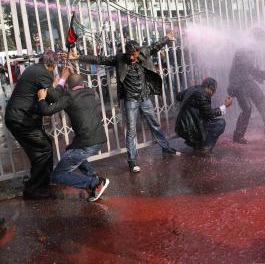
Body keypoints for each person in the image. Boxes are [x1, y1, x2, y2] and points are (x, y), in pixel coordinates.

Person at [66, 32, 181, 173]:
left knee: (154, 124)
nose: (133, 57)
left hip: (144, 98)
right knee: (131, 131)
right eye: (130, 55)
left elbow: (155, 46)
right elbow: (100, 59)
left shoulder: (143, 53)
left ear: (138, 52)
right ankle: (132, 161)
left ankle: (165, 148)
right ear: (127, 53)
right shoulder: (120, 59)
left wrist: (167, 38)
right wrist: (78, 57)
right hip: (131, 100)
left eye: (135, 54)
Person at [36, 71, 110, 202]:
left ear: (68, 86)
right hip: (99, 139)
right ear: (82, 83)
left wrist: (42, 98)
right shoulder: (90, 91)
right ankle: (92, 175)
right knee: (70, 150)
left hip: (86, 143)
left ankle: (95, 183)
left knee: (57, 175)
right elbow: (72, 85)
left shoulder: (69, 96)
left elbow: (47, 110)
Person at [4, 50, 67, 199]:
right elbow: (54, 96)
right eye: (54, 66)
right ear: (50, 64)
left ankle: (42, 183)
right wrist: (63, 80)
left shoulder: (35, 70)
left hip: (20, 118)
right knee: (43, 149)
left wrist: (53, 84)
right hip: (21, 119)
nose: (54, 70)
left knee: (41, 148)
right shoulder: (43, 72)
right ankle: (34, 189)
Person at [227, 47, 265, 144]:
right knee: (247, 109)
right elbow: (244, 70)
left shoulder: (249, 51)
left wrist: (264, 75)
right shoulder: (241, 51)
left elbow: (250, 69)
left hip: (248, 82)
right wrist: (263, 75)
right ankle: (238, 136)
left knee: (262, 101)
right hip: (239, 85)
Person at [175, 77, 232, 154]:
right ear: (207, 87)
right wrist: (225, 106)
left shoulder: (194, 89)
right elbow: (210, 114)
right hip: (189, 128)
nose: (213, 93)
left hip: (181, 126)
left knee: (204, 121)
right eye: (213, 90)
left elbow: (178, 96)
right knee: (220, 123)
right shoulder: (202, 95)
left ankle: (197, 145)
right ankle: (206, 148)